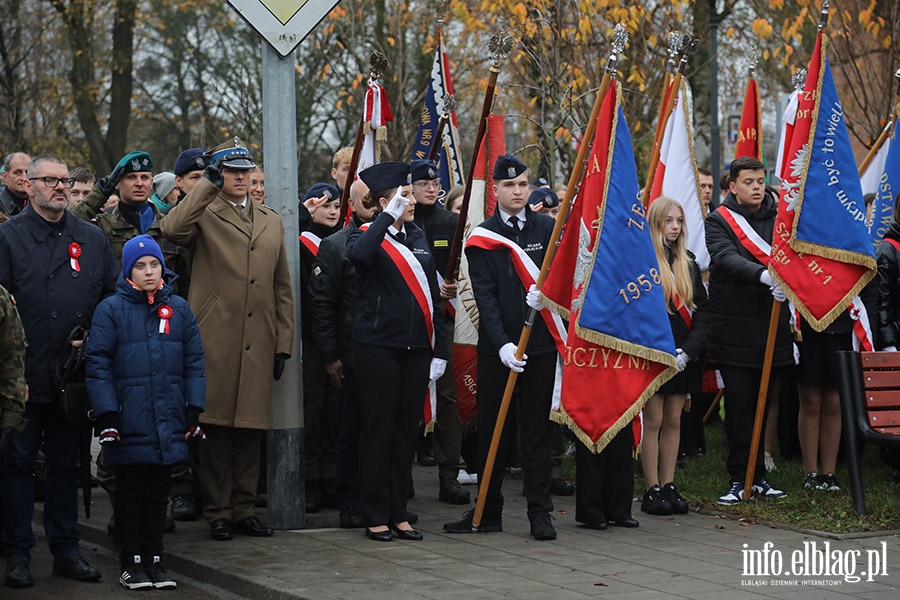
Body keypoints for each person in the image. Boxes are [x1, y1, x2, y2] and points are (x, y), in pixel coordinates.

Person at [161, 137, 293, 542]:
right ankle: (217, 511)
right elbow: (171, 228)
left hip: (258, 337)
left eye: (245, 171)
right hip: (214, 336)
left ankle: (243, 509)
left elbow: (281, 285)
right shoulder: (203, 212)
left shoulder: (271, 218)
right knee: (215, 429)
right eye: (232, 172)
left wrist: (283, 341)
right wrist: (204, 185)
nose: (241, 178)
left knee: (250, 429)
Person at [0, 154, 119, 588]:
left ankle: (67, 549)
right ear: (28, 186)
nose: (60, 187)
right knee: (17, 464)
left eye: (64, 180)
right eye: (49, 180)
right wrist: (10, 376)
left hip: (72, 376)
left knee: (68, 467)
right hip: (23, 376)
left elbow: (112, 298)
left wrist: (91, 338)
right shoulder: (8, 238)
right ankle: (16, 552)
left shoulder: (90, 238)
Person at [70, 151, 195, 525]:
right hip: (119, 333)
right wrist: (102, 186)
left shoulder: (167, 224)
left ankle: (159, 504)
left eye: (145, 178)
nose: (139, 183)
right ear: (119, 183)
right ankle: (123, 504)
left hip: (164, 330)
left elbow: (185, 277)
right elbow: (72, 225)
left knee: (162, 420)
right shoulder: (102, 226)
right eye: (130, 178)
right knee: (119, 423)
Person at [443, 154, 558, 541]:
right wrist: (504, 343)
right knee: (495, 433)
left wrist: (550, 297)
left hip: (540, 348)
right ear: (496, 190)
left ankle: (540, 513)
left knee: (537, 434)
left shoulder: (547, 227)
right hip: (499, 353)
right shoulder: (483, 237)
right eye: (509, 185)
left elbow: (562, 282)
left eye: (523, 184)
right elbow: (485, 299)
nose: (518, 191)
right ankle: (487, 511)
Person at [85, 235, 206, 590]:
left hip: (167, 417)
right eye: (140, 266)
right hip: (129, 418)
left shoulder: (179, 309)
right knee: (130, 492)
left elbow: (194, 362)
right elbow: (98, 364)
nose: (149, 272)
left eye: (154, 265)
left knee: (158, 492)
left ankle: (155, 558)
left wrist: (193, 408)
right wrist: (107, 414)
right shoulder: (110, 309)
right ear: (128, 271)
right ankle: (131, 560)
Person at [347, 162, 447, 542]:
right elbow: (358, 257)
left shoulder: (418, 234)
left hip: (416, 348)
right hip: (377, 347)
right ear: (385, 201)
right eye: (403, 195)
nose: (411, 199)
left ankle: (398, 512)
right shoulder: (366, 235)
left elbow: (431, 296)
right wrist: (383, 218)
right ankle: (375, 513)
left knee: (407, 432)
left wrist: (439, 348)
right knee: (379, 431)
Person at [705, 156, 793, 505]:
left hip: (772, 326)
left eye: (760, 180)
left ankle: (759, 478)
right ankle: (738, 477)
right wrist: (763, 275)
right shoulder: (718, 221)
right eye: (749, 182)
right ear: (732, 186)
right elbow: (725, 257)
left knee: (764, 402)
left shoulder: (781, 219)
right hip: (734, 328)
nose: (757, 187)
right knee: (740, 405)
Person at [308, 178, 375, 528]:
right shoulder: (335, 245)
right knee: (349, 430)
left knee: (383, 430)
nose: (375, 206)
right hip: (349, 354)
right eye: (367, 200)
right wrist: (330, 356)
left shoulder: (400, 240)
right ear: (352, 203)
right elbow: (322, 305)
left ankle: (381, 498)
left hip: (386, 352)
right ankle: (349, 498)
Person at [640, 197, 709, 516]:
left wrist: (689, 351)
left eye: (679, 221)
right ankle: (651, 487)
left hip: (682, 354)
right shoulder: (642, 263)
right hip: (654, 354)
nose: (675, 227)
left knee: (673, 419)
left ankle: (668, 484)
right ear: (655, 223)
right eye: (668, 221)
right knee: (652, 420)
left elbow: (704, 314)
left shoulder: (689, 263)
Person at [409, 159, 469, 506]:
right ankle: (403, 477)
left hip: (445, 323)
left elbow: (467, 274)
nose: (432, 188)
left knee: (447, 401)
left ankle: (450, 474)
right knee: (407, 400)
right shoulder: (401, 224)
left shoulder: (453, 223)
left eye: (435, 184)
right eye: (423, 183)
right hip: (410, 324)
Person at [298, 182, 342, 513]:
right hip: (311, 339)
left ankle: (332, 477)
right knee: (312, 410)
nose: (331, 212)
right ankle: (310, 479)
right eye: (325, 206)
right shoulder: (300, 242)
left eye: (337, 206)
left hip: (341, 338)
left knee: (335, 413)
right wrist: (304, 210)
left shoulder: (342, 242)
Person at [0, 153, 31, 218]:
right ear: (5, 176)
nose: (24, 178)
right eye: (17, 172)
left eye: (28, 172)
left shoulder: (40, 206)